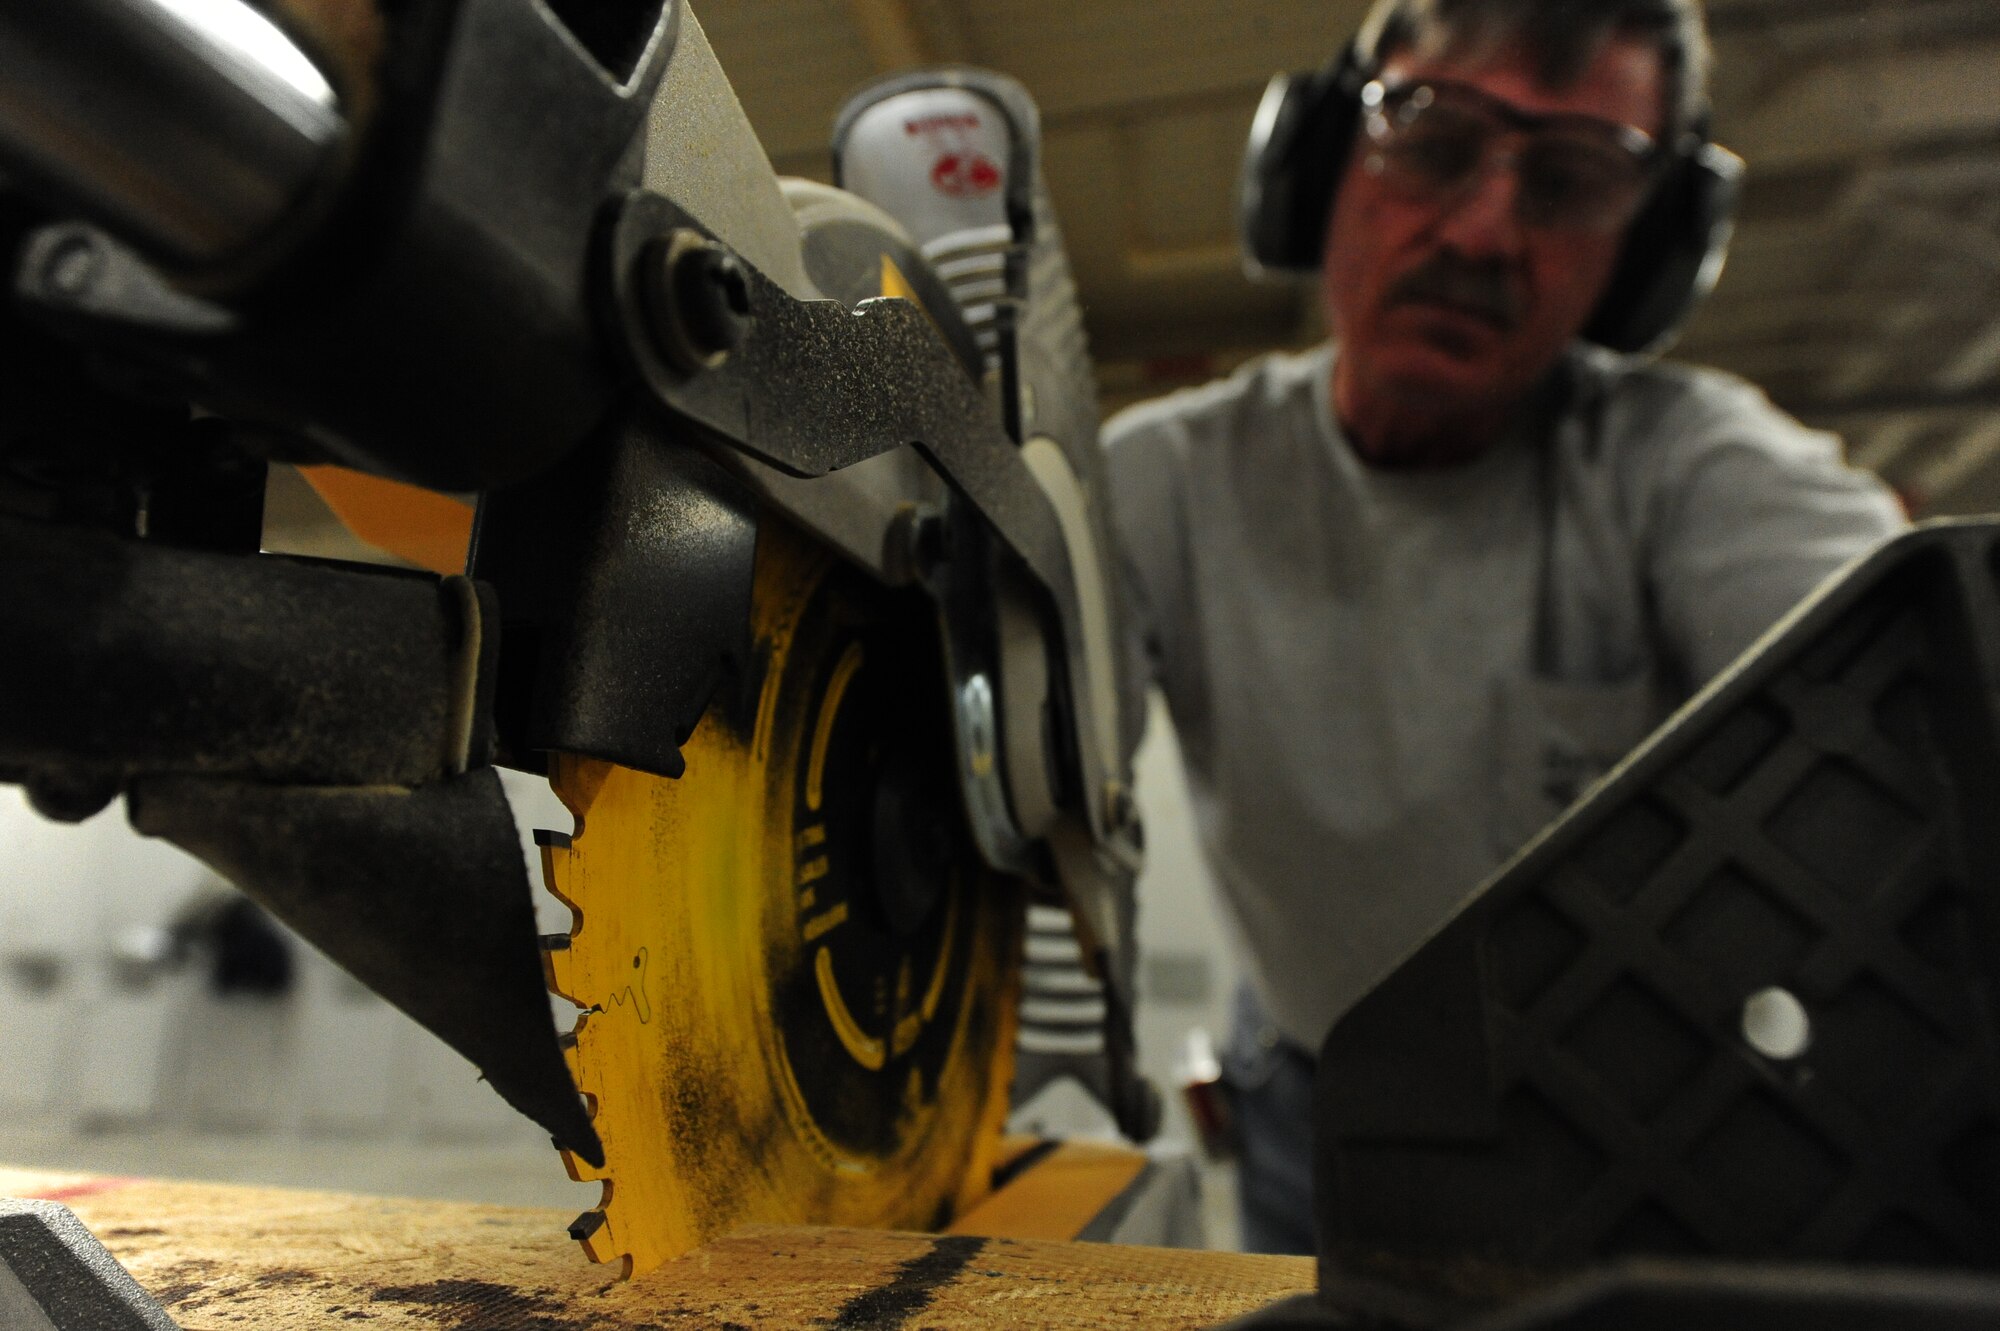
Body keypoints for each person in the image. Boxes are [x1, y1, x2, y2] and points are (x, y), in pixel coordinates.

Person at [1102, 0, 1906, 1254]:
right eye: (1428, 141)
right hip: (1308, 1113)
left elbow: (1904, 674)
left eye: (1572, 180)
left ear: (1645, 253)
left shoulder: (1680, 469)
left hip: (1634, 1136)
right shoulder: (1165, 482)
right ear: (1318, 160)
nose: (1481, 229)